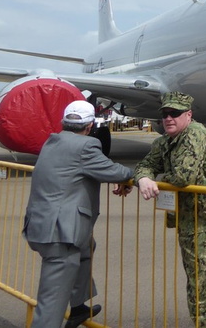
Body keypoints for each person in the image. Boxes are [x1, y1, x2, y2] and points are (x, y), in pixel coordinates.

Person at [23, 100, 133, 328]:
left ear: (65, 122)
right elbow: (113, 170)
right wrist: (136, 175)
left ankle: (78, 306)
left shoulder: (52, 141)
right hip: (59, 234)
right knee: (50, 304)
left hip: (43, 224)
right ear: (90, 125)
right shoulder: (86, 146)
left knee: (86, 246)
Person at [131, 92, 206, 328]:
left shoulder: (195, 134)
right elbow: (145, 164)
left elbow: (184, 176)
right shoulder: (165, 141)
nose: (168, 118)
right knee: (198, 284)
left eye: (174, 113)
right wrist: (144, 178)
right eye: (165, 114)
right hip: (189, 221)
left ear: (188, 115)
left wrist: (156, 179)